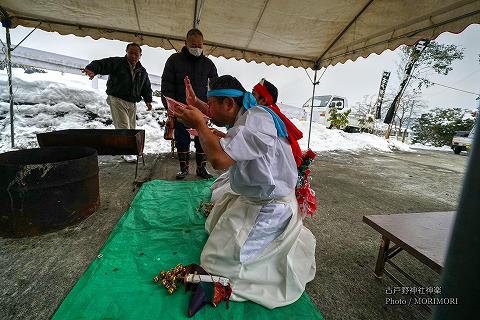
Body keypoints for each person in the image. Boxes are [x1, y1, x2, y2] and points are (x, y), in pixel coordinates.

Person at [173, 75, 316, 309]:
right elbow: (222, 123)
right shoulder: (248, 115)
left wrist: (200, 125)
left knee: (215, 260)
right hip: (256, 199)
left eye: (210, 105)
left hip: (271, 207)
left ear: (229, 104)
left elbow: (219, 160)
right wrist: (198, 105)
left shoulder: (255, 122)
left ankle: (222, 282)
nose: (208, 111)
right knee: (214, 224)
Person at [161, 28, 218, 179]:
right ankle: (183, 168)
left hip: (202, 110)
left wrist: (212, 108)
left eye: (200, 45)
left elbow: (215, 87)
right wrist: (170, 106)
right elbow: (167, 85)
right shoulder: (174, 60)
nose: (197, 48)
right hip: (181, 109)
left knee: (202, 138)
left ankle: (201, 168)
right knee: (182, 138)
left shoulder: (208, 64)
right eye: (193, 45)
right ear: (186, 43)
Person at [82, 43, 153, 162]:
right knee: (123, 126)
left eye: (136, 54)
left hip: (132, 102)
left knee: (131, 128)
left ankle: (129, 149)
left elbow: (146, 86)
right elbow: (102, 64)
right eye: (131, 53)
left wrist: (148, 100)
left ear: (140, 55)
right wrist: (92, 69)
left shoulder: (142, 71)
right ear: (126, 52)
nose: (133, 56)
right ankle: (126, 152)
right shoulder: (117, 62)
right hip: (117, 99)